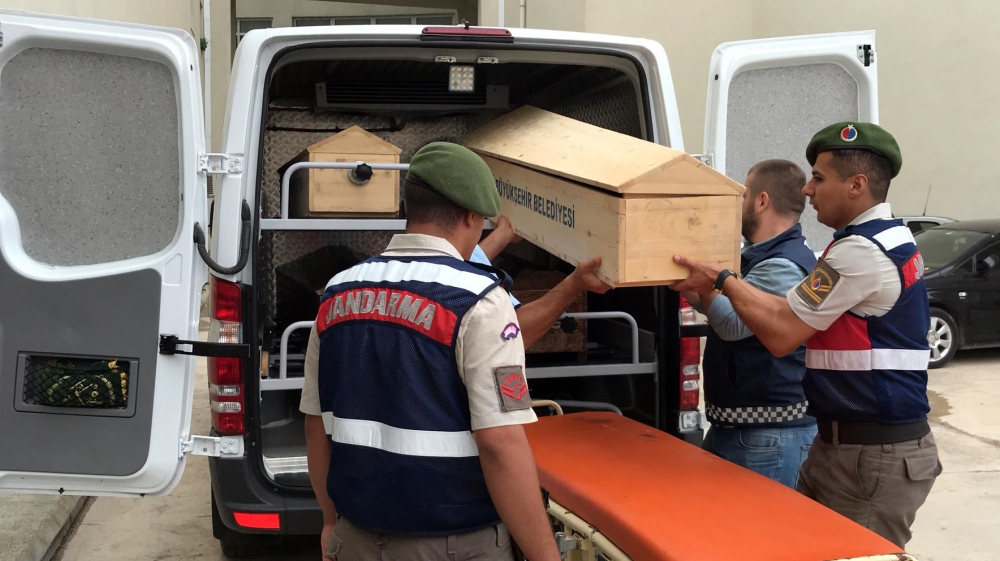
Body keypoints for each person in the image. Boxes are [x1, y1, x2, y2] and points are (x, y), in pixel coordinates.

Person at [668, 122, 942, 548]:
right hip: (846, 445)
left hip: (871, 452)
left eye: (818, 178)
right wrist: (720, 283)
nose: (807, 190)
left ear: (856, 185)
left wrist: (720, 280)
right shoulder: (878, 238)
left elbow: (782, 334)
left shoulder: (861, 252)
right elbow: (787, 311)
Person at [299, 142, 561, 561]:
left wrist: (331, 521)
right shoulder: (479, 299)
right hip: (455, 545)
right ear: (471, 216)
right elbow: (500, 444)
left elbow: (316, 424)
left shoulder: (337, 291)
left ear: (409, 205)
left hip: (356, 539)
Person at [682, 159, 817, 489]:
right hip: (742, 431)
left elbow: (731, 323)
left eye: (743, 196)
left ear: (762, 201)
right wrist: (685, 279)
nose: (737, 205)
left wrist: (708, 281)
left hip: (769, 438)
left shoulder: (784, 265)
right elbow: (717, 306)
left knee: (765, 524)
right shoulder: (758, 257)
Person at [472, 215, 612, 348]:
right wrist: (574, 284)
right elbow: (515, 330)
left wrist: (503, 233)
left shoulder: (459, 263)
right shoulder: (466, 282)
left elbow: (471, 263)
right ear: (470, 218)